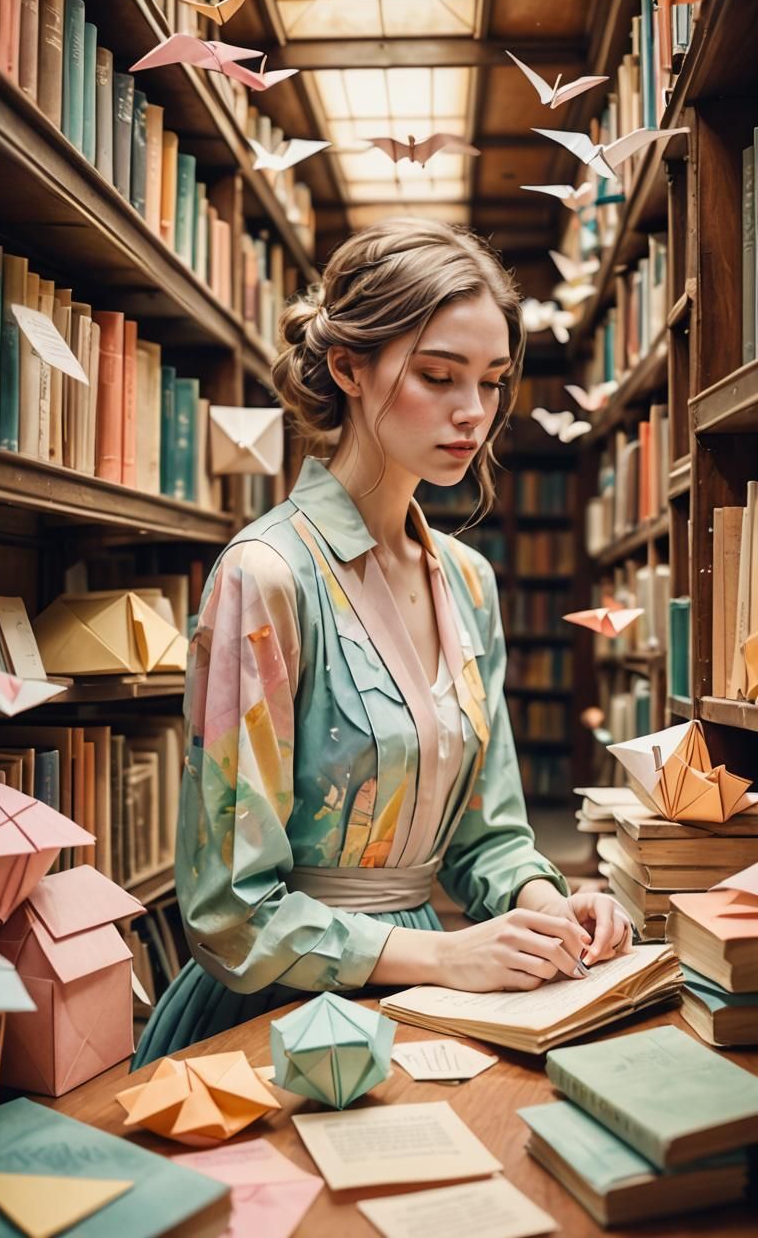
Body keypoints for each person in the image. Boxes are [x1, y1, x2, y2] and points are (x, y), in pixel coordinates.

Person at [133, 218, 632, 1067]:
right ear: (348, 366)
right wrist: (445, 954)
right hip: (278, 1008)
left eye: (492, 381)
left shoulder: (469, 581)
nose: (472, 413)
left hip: (430, 986)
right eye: (438, 376)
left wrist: (541, 896)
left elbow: (488, 831)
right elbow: (228, 910)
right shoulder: (267, 577)